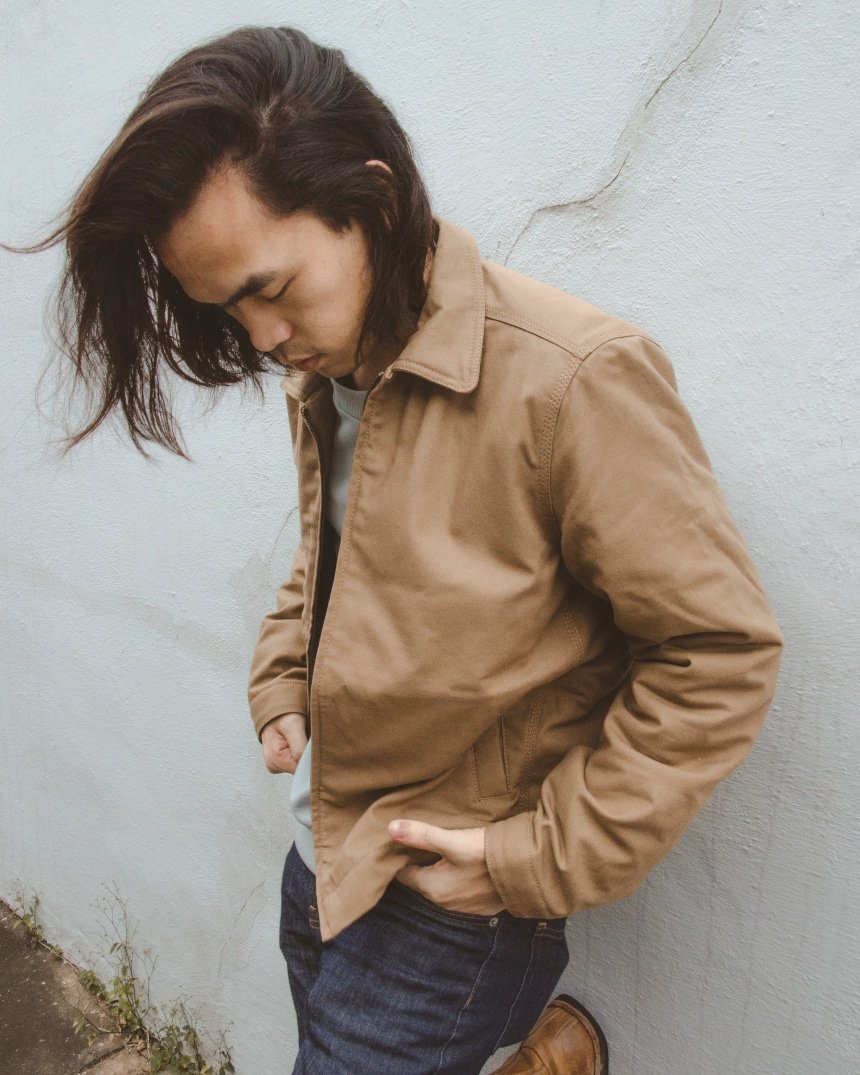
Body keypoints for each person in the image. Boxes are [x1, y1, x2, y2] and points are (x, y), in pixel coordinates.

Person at [8, 25, 783, 1075]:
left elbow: (716, 652)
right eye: (225, 307)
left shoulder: (571, 379)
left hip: (450, 901)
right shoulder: (330, 366)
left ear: (370, 199)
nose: (259, 338)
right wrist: (283, 667)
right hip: (320, 841)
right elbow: (336, 548)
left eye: (269, 288)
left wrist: (531, 859)